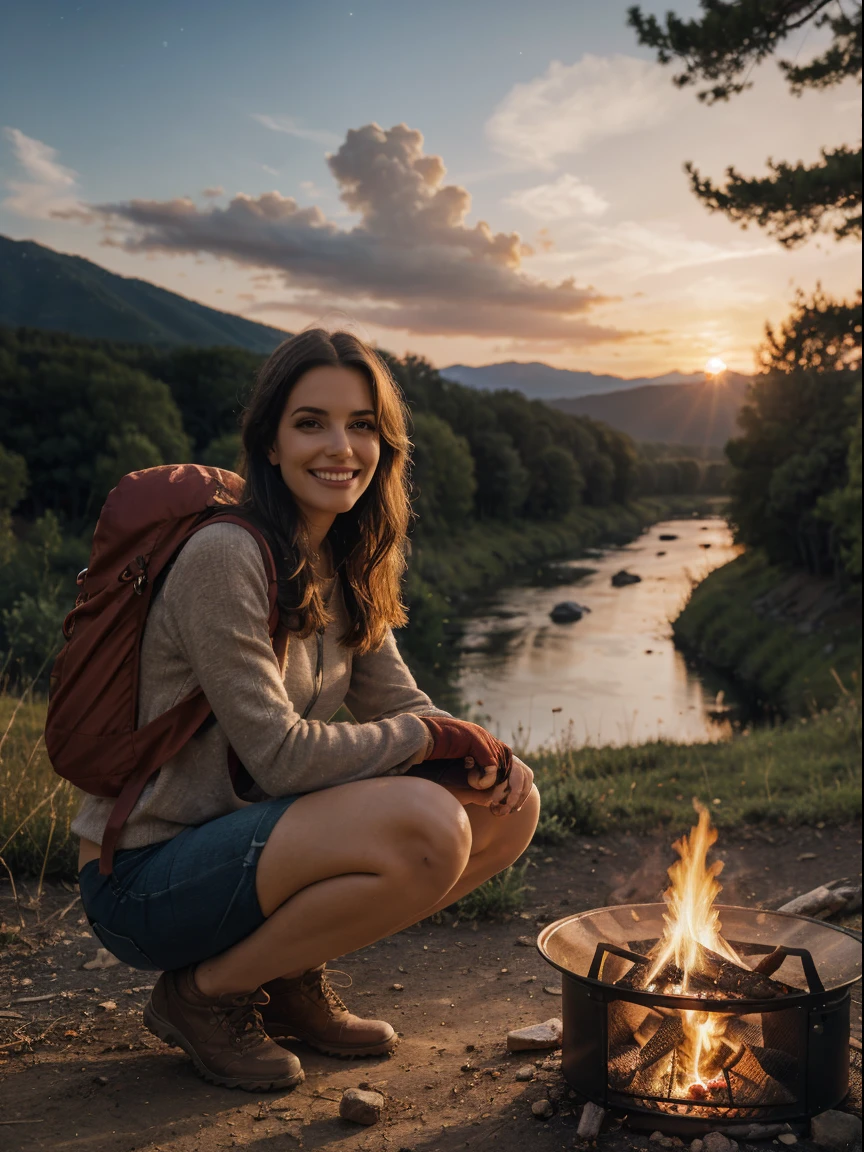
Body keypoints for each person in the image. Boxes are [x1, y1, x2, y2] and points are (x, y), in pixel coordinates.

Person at [73, 329, 540, 1092]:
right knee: (428, 825)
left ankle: (284, 977)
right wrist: (426, 740)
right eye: (311, 422)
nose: (341, 447)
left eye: (361, 425)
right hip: (145, 876)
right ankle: (201, 997)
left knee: (506, 808)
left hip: (252, 851)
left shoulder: (347, 558)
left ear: (385, 444)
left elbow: (403, 705)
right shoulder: (228, 555)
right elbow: (280, 757)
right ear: (271, 440)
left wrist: (476, 752)